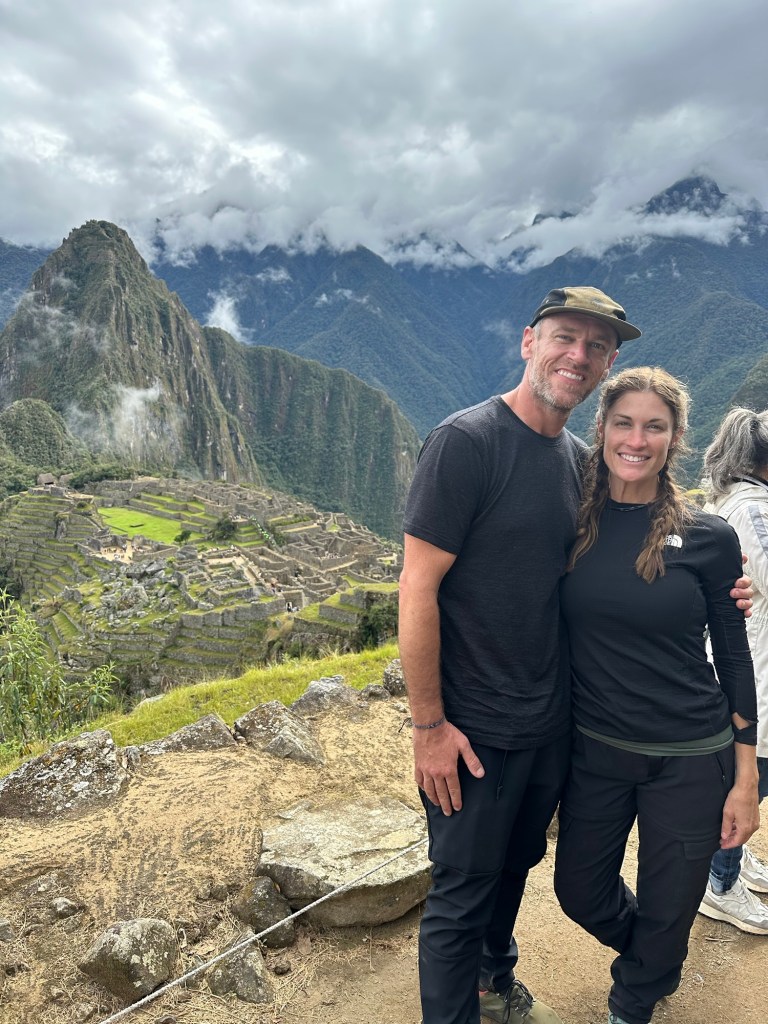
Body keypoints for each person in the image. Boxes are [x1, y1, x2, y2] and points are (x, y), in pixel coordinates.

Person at [399, 285, 753, 1024]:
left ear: (608, 362)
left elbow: (638, 544)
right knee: (463, 889)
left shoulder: (581, 466)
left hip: (556, 725)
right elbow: (417, 585)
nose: (577, 355)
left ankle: (497, 981)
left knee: (515, 869)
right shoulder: (467, 442)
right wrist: (428, 725)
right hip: (475, 726)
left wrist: (723, 591)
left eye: (595, 346)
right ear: (529, 341)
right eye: (565, 336)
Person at [554, 368, 759, 1024]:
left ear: (675, 440)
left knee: (671, 903)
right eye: (624, 423)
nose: (636, 439)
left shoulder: (709, 537)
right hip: (597, 753)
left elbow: (734, 657)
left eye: (654, 426)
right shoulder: (570, 524)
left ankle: (634, 1000)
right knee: (579, 891)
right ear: (602, 430)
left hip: (693, 756)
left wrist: (745, 774)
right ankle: (655, 957)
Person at [697, 407, 768, 933]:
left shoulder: (743, 502)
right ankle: (719, 883)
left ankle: (732, 864)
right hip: (755, 667)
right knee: (751, 780)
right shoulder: (753, 508)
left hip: (749, 659)